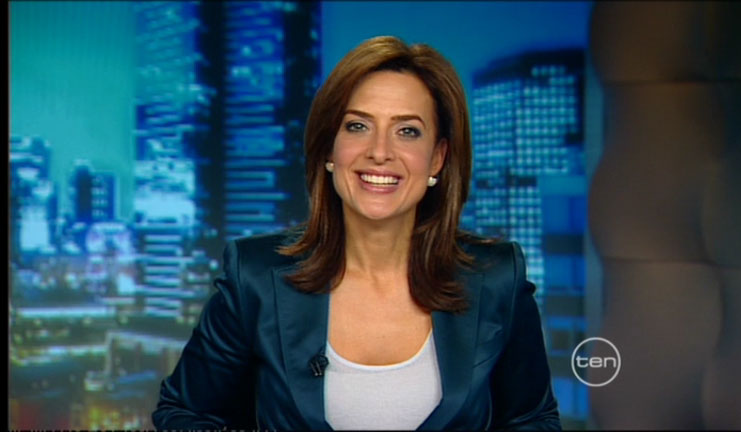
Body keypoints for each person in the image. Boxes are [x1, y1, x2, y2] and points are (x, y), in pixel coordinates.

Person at [152, 35, 561, 431]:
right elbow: (183, 413)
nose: (379, 151)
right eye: (358, 126)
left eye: (407, 131)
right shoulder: (255, 277)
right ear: (330, 149)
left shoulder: (496, 278)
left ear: (437, 158)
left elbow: (532, 420)